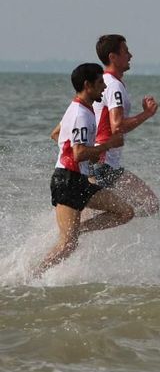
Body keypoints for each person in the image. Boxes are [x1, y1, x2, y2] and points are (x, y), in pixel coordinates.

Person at [35, 63, 134, 277]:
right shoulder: (81, 114)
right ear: (87, 85)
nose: (104, 88)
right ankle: (31, 276)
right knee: (67, 245)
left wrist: (85, 154)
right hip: (67, 181)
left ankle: (77, 229)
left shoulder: (80, 108)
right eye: (100, 84)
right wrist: (105, 146)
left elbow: (57, 135)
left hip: (77, 179)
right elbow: (78, 153)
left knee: (125, 212)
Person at [92, 34, 159, 216]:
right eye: (126, 51)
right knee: (150, 203)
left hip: (98, 161)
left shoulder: (106, 82)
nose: (130, 56)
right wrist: (146, 114)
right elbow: (118, 126)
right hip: (104, 164)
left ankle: (81, 238)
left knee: (94, 212)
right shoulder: (113, 85)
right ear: (113, 57)